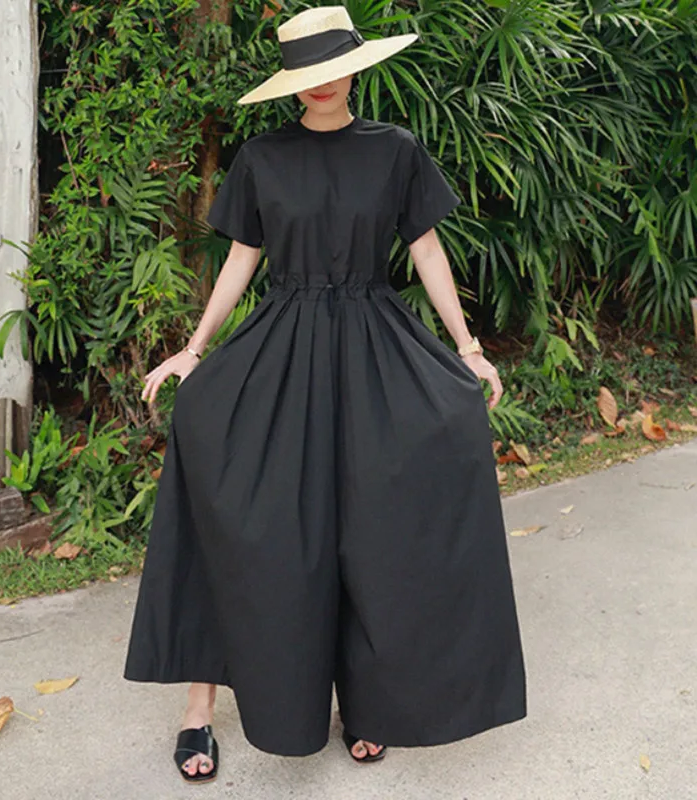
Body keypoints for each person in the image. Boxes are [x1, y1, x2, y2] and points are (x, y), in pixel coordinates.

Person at [124, 5, 526, 785]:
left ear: (354, 70)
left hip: (376, 346)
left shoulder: (397, 150)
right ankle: (198, 708)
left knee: (376, 527)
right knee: (252, 519)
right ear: (291, 83)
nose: (322, 84)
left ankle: (373, 703)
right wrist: (194, 349)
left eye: (333, 69)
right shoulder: (261, 157)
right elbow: (242, 259)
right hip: (284, 347)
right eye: (307, 74)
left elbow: (426, 249)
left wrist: (469, 348)